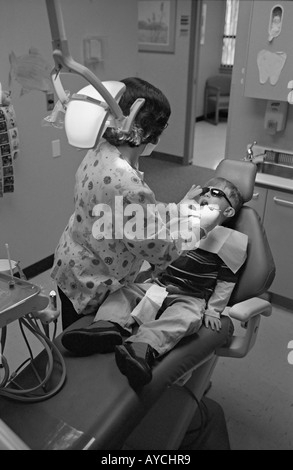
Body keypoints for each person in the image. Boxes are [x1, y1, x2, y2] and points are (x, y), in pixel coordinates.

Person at [51, 77, 221, 331]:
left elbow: (121, 213)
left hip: (72, 265)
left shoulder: (100, 150)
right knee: (89, 351)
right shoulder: (128, 185)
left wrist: (176, 209)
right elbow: (161, 251)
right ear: (152, 132)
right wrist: (201, 226)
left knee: (71, 340)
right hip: (94, 284)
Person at [61, 176, 248, 389]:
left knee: (185, 319)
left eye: (216, 193)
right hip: (158, 285)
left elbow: (226, 281)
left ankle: (142, 347)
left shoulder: (230, 241)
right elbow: (159, 241)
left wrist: (213, 310)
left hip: (191, 297)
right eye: (206, 190)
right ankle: (106, 326)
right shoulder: (185, 221)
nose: (206, 194)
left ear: (229, 211)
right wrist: (182, 205)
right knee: (124, 291)